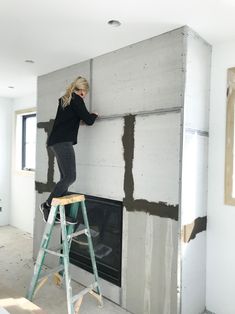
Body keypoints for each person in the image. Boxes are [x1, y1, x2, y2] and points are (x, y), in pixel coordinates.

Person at [40, 76, 98, 223]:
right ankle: (47, 205)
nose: (85, 94)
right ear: (83, 90)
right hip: (63, 142)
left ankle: (58, 212)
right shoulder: (77, 99)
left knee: (64, 178)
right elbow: (90, 121)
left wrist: (80, 120)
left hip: (56, 142)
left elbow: (70, 119)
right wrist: (95, 115)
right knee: (70, 177)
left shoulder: (65, 99)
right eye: (86, 91)